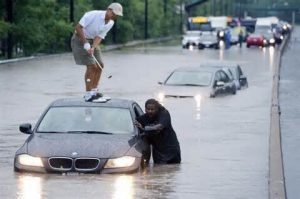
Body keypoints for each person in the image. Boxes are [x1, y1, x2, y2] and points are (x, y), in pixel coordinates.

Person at [71, 3, 123, 101]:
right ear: (108, 9)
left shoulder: (110, 23)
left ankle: (94, 91)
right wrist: (85, 43)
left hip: (92, 40)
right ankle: (88, 94)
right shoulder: (92, 15)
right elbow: (78, 28)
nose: (115, 16)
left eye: (117, 15)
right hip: (79, 40)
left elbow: (99, 36)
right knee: (92, 66)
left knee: (100, 65)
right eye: (114, 13)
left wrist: (93, 47)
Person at [135, 99, 181, 164]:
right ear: (145, 109)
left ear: (157, 109)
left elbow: (158, 127)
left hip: (171, 149)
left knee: (172, 169)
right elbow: (133, 124)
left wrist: (143, 129)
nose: (150, 111)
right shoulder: (143, 119)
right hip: (158, 151)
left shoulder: (164, 114)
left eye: (152, 109)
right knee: (158, 171)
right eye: (148, 109)